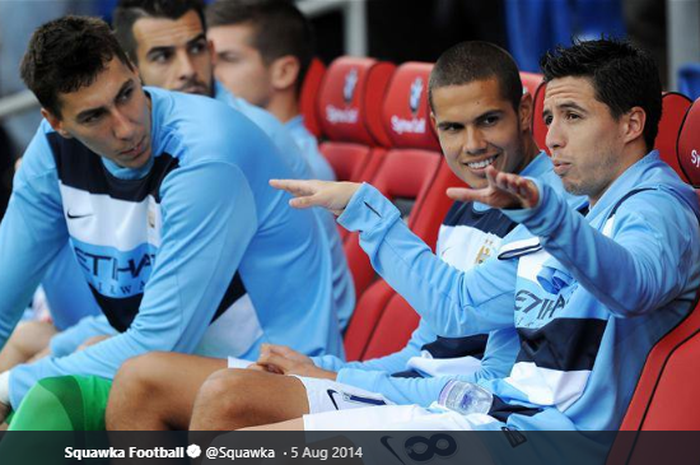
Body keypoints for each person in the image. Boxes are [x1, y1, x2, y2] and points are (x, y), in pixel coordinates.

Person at [105, 41, 574, 430]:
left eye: (488, 120)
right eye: (453, 128)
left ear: (525, 108)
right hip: (405, 386)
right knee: (141, 379)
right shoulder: (470, 193)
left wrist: (338, 375)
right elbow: (424, 349)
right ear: (434, 125)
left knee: (230, 399)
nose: (473, 145)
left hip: (459, 415)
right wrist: (336, 372)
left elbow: (473, 356)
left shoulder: (547, 207)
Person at [259, 38, 700, 431]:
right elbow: (458, 307)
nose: (554, 138)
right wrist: (362, 209)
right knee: (239, 441)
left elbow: (632, 288)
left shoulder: (658, 206)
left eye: (573, 116)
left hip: (554, 440)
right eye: (551, 117)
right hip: (501, 415)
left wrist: (546, 218)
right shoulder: (579, 206)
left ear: (631, 124)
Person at [0, 15, 342, 430]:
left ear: (133, 67)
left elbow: (158, 342)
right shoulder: (49, 150)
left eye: (127, 94)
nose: (125, 128)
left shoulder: (206, 154)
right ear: (56, 123)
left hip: (278, 371)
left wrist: (6, 387)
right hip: (174, 357)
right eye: (94, 117)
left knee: (47, 404)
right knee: (33, 363)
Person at [206, 0, 335, 181]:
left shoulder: (305, 167)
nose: (209, 75)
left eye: (228, 59)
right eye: (207, 60)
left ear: (284, 72)